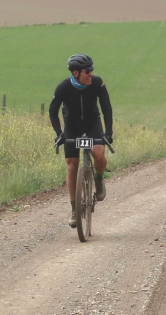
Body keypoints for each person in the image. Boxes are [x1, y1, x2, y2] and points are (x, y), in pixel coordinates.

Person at [50, 54, 114, 228]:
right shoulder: (63, 87)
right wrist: (59, 133)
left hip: (92, 122)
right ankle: (74, 209)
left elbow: (106, 107)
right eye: (88, 71)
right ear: (76, 73)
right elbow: (53, 111)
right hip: (72, 124)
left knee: (99, 153)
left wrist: (108, 132)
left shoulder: (97, 83)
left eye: (92, 70)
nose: (91, 74)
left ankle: (99, 179)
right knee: (72, 164)